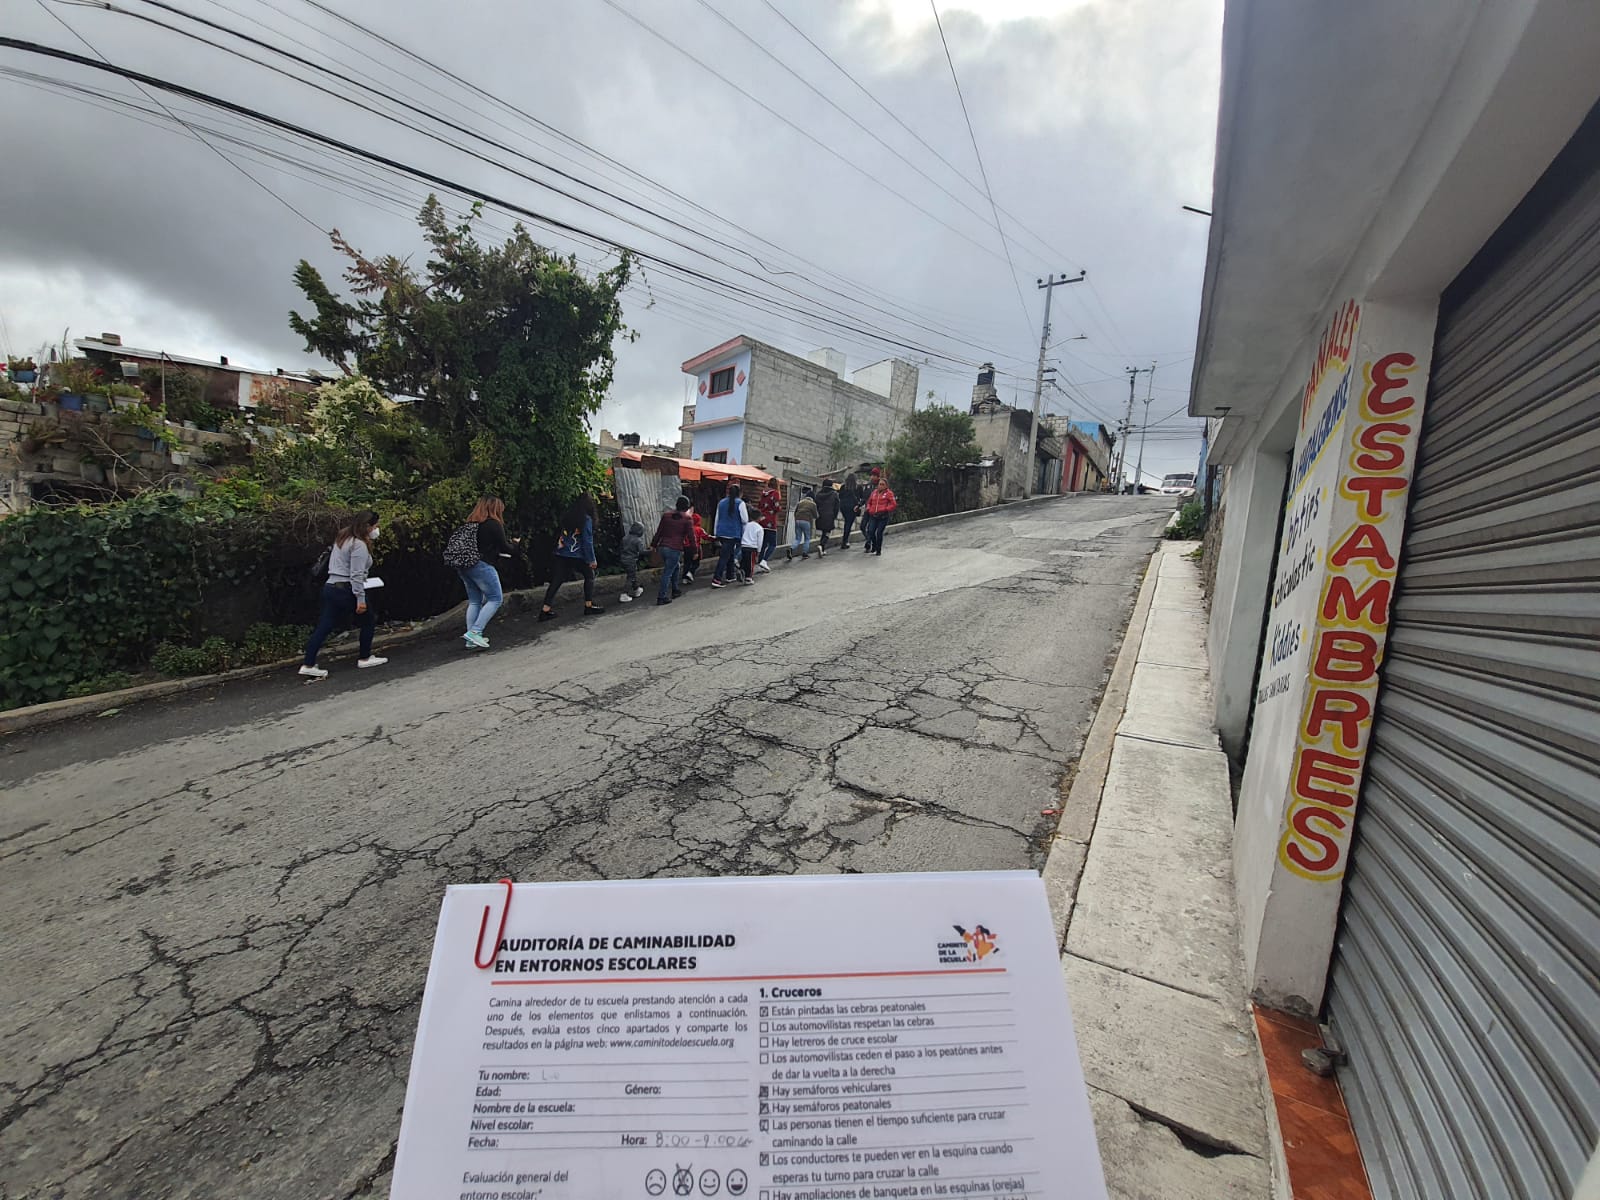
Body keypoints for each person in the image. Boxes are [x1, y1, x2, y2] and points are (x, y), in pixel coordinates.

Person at [300, 510, 388, 677]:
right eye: (376, 525)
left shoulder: (343, 537)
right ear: (368, 527)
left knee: (325, 625)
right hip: (346, 589)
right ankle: (365, 657)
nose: (377, 529)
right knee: (368, 620)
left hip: (331, 587)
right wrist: (360, 599)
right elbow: (355, 574)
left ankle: (308, 663)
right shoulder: (359, 545)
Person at [445, 496, 518, 649]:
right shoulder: (493, 524)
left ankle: (471, 638)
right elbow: (505, 547)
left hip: (464, 566)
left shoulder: (471, 524)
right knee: (495, 599)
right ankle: (475, 632)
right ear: (495, 509)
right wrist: (515, 545)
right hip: (482, 565)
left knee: (474, 601)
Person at [539, 494, 603, 620]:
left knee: (557, 580)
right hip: (577, 554)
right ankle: (588, 605)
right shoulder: (586, 519)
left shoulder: (568, 517)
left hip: (562, 553)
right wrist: (591, 559)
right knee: (589, 576)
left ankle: (545, 609)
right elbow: (587, 541)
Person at [650, 496, 695, 606]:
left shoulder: (666, 516)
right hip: (674, 548)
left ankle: (675, 589)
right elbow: (691, 536)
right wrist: (694, 550)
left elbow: (659, 532)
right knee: (668, 572)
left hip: (663, 547)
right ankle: (662, 597)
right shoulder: (687, 519)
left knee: (676, 566)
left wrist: (653, 544)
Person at [710, 483, 749, 589]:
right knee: (724, 556)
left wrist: (715, 533)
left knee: (730, 553)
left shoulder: (721, 502)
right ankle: (716, 579)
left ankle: (729, 575)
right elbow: (745, 520)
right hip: (732, 533)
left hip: (721, 532)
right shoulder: (740, 503)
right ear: (740, 493)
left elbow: (717, 518)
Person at [863, 473, 898, 556]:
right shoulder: (874, 492)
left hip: (883, 516)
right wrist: (869, 509)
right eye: (880, 484)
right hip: (873, 516)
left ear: (886, 486)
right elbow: (869, 502)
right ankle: (874, 546)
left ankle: (878, 549)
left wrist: (886, 509)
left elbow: (893, 504)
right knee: (871, 531)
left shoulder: (889, 493)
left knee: (879, 533)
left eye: (882, 484)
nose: (880, 486)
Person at [755, 479, 783, 573]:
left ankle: (760, 562)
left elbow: (759, 506)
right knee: (772, 544)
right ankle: (764, 560)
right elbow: (776, 506)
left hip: (761, 520)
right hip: (770, 521)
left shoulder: (763, 494)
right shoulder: (775, 493)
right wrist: (779, 508)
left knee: (763, 544)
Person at [618, 521, 647, 603]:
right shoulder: (638, 540)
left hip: (623, 560)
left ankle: (636, 589)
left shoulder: (625, 538)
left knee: (632, 575)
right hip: (631, 560)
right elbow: (642, 552)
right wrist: (651, 551)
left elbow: (620, 549)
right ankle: (624, 594)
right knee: (631, 577)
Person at [787, 487, 818, 561]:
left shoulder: (800, 502)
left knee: (798, 538)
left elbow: (795, 512)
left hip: (797, 520)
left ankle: (791, 549)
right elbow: (816, 516)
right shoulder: (813, 504)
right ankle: (804, 554)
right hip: (806, 521)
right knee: (807, 538)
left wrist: (797, 519)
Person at [814, 480, 839, 555]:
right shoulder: (834, 494)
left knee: (823, 532)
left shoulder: (818, 494)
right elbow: (837, 507)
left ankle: (822, 549)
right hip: (829, 515)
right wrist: (834, 516)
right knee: (827, 532)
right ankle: (821, 545)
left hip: (820, 516)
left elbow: (815, 505)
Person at [684, 505, 708, 584]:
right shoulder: (699, 529)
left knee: (687, 563)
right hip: (695, 548)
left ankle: (685, 578)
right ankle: (690, 573)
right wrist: (715, 538)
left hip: (686, 548)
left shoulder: (686, 528)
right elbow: (706, 537)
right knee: (696, 563)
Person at [838, 473, 861, 549]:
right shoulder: (858, 487)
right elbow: (861, 497)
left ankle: (845, 540)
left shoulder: (843, 487)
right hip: (852, 507)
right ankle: (845, 541)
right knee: (848, 524)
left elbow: (840, 496)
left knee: (846, 523)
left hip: (843, 507)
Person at [740, 512, 764, 583]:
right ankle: (748, 577)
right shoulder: (759, 528)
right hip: (752, 547)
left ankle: (741, 571)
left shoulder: (746, 525)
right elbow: (760, 541)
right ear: (759, 518)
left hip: (744, 545)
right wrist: (759, 551)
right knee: (751, 563)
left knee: (744, 560)